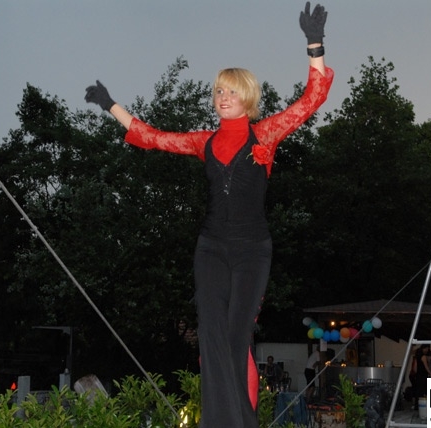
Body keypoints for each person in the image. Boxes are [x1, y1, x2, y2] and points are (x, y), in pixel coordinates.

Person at [84, 3, 333, 427]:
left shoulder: (265, 134)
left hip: (252, 250)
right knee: (211, 334)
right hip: (212, 247)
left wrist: (315, 44)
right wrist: (111, 104)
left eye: (231, 91)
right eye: (218, 91)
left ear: (247, 97)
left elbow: (312, 99)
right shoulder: (204, 142)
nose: (223, 98)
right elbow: (153, 137)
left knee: (236, 337)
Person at [412, 345, 431, 410]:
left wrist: (416, 374)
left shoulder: (417, 357)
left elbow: (415, 368)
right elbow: (426, 367)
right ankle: (425, 406)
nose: (427, 350)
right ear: (424, 348)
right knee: (424, 391)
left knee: (418, 391)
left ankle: (417, 406)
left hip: (418, 376)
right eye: (426, 349)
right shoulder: (423, 356)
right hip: (423, 375)